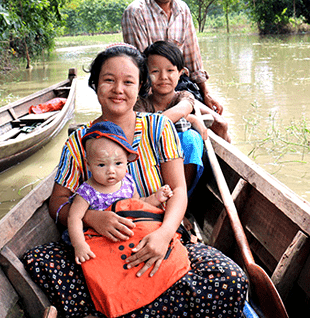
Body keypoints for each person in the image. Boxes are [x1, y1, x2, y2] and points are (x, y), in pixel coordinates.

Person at [23, 43, 248, 318]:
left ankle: (127, 309)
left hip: (156, 237)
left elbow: (178, 190)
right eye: (109, 80)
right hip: (104, 248)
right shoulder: (78, 143)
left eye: (128, 82)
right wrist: (93, 218)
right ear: (95, 85)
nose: (118, 89)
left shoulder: (158, 127)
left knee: (230, 279)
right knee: (40, 260)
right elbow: (57, 203)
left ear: (141, 86)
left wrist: (164, 235)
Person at [121, 0, 227, 135]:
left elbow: (192, 58)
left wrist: (206, 94)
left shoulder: (182, 9)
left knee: (221, 124)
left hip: (180, 87)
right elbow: (141, 69)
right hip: (149, 91)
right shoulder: (135, 12)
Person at [67, 120, 172, 264]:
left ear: (126, 162)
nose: (111, 170)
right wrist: (79, 245)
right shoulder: (87, 192)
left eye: (118, 163)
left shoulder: (127, 182)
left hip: (125, 238)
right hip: (98, 241)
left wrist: (157, 197)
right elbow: (74, 218)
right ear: (89, 165)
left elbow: (138, 204)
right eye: (102, 164)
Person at [135, 40, 210, 195]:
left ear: (181, 72)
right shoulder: (140, 104)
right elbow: (147, 126)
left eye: (170, 70)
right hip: (151, 172)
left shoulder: (184, 97)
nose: (163, 77)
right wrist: (192, 119)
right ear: (146, 74)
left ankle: (180, 197)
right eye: (155, 71)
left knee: (191, 138)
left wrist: (187, 117)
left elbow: (182, 110)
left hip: (178, 177)